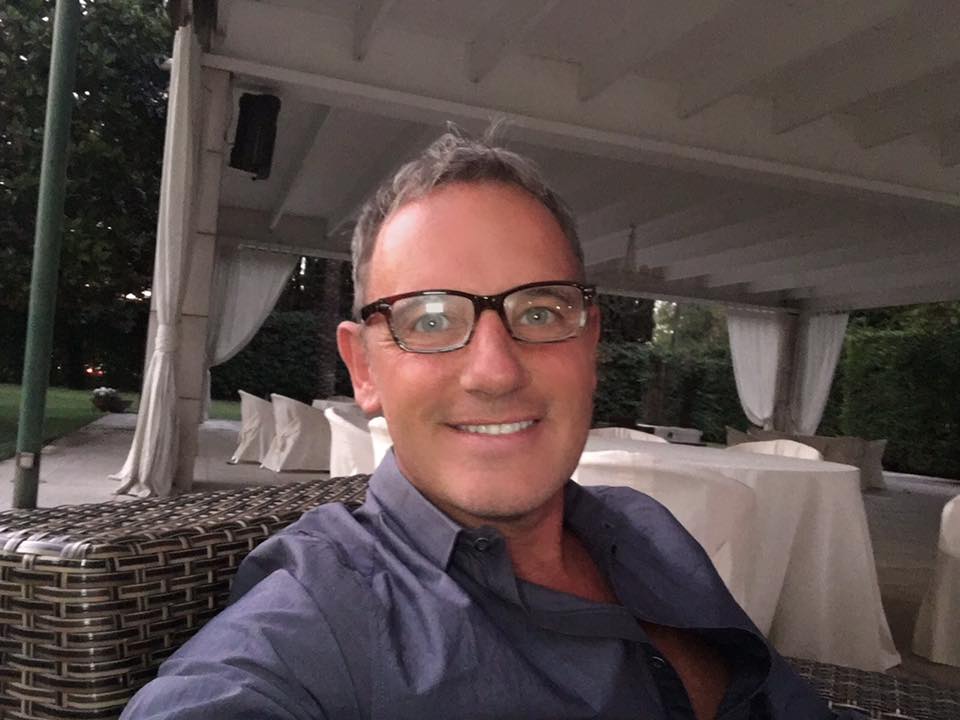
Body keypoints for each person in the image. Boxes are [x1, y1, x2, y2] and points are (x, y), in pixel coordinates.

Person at [123, 130, 854, 719]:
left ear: (590, 346)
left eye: (540, 311)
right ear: (364, 368)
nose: (496, 371)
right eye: (429, 320)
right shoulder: (321, 621)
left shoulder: (647, 528)